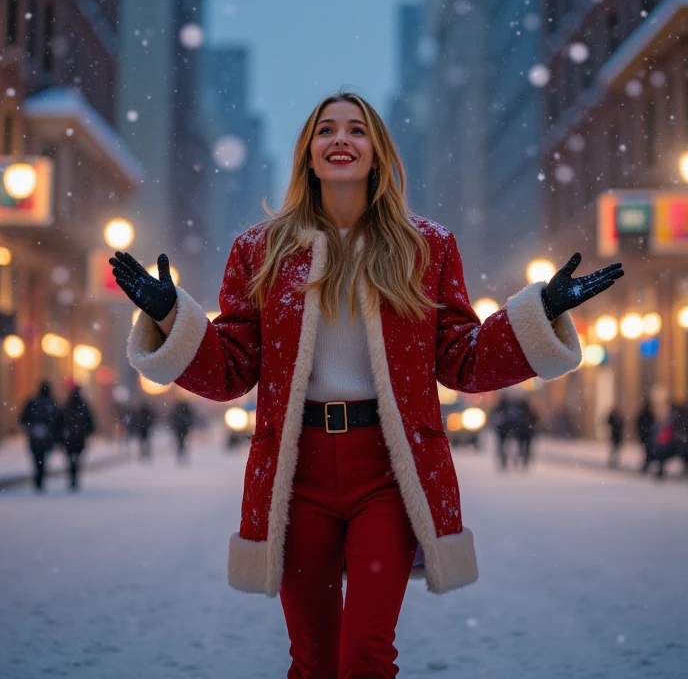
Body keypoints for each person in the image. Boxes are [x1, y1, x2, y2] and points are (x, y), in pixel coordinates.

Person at [111, 91, 624, 677]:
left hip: (387, 471)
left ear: (377, 154)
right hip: (295, 474)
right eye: (326, 130)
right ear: (307, 154)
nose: (340, 141)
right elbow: (232, 366)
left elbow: (462, 358)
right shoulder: (262, 250)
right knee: (313, 659)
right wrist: (171, 318)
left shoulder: (424, 246)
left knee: (366, 654)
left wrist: (540, 311)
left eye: (356, 131)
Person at [18, 381, 62, 491]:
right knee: (42, 458)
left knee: (37, 458)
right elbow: (59, 422)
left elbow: (23, 418)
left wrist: (30, 427)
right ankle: (40, 476)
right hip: (46, 438)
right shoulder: (52, 403)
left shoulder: (33, 403)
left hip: (35, 438)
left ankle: (39, 477)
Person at [60, 386, 95, 489]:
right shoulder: (83, 406)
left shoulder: (67, 405)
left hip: (69, 438)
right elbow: (90, 422)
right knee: (77, 458)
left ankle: (72, 474)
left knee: (70, 458)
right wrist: (87, 431)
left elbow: (61, 421)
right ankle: (74, 476)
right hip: (79, 437)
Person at [514, 398, 539, 468]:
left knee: (520, 448)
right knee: (526, 448)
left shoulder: (519, 413)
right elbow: (536, 420)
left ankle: (521, 460)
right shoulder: (530, 412)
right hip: (528, 433)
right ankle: (525, 462)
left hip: (522, 433)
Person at [635, 399, 655, 473]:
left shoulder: (644, 414)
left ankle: (646, 466)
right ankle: (646, 465)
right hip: (647, 436)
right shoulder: (648, 414)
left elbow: (639, 424)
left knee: (647, 451)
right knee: (647, 451)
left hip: (645, 436)